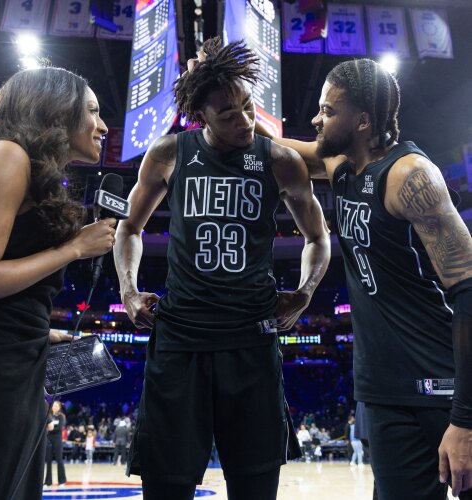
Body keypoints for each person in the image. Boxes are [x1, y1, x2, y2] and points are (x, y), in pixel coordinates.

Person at [114, 37, 331, 500]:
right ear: (201, 116)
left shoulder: (280, 161)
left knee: (255, 486)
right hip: (180, 339)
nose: (244, 120)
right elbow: (128, 228)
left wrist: (306, 292)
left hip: (252, 339)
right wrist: (128, 291)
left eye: (248, 106)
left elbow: (318, 238)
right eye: (228, 114)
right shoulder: (169, 153)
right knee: (165, 485)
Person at [251, 58, 472, 499]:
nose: (316, 119)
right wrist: (227, 93)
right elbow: (273, 147)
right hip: (386, 390)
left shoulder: (410, 176)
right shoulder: (340, 166)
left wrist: (466, 418)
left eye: (328, 111)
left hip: (445, 384)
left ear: (363, 121)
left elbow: (467, 288)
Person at [0, 67, 116, 500]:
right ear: (57, 110)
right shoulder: (6, 155)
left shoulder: (27, 168)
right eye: (92, 111)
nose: (103, 126)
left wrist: (38, 329)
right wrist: (73, 249)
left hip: (16, 357)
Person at [44, 400, 67, 487]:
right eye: (53, 406)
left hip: (57, 439)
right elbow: (45, 426)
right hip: (49, 439)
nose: (54, 407)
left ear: (59, 407)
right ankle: (48, 482)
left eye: (56, 406)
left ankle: (62, 481)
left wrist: (50, 428)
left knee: (59, 459)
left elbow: (60, 428)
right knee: (48, 460)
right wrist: (50, 428)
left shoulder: (61, 416)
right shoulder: (48, 415)